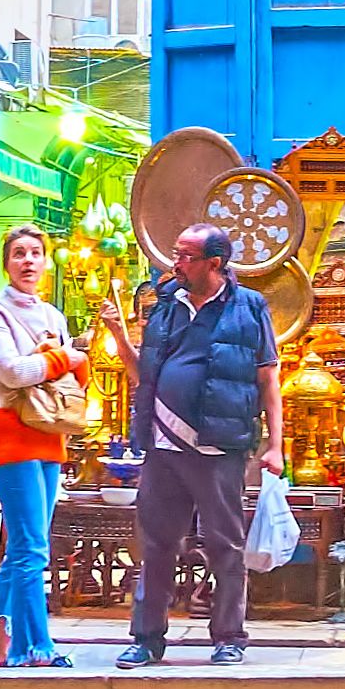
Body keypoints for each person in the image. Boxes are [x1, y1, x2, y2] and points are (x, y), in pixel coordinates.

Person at [125, 221, 277, 666]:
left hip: (218, 445)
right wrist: (118, 337)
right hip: (164, 444)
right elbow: (146, 375)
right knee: (156, 544)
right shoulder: (166, 306)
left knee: (224, 543)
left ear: (215, 263)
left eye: (187, 257)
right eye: (176, 254)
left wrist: (276, 445)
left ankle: (229, 636)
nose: (177, 264)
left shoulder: (249, 307)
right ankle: (147, 637)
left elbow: (268, 377)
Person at [0, 225, 86, 669]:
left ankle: (1, 643)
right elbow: (12, 372)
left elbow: (71, 378)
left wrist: (68, 363)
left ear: (45, 261)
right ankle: (36, 647)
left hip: (49, 431)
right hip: (8, 431)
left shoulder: (53, 315)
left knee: (24, 546)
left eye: (36, 253)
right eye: (18, 253)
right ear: (7, 263)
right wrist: (63, 358)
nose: (28, 261)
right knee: (33, 546)